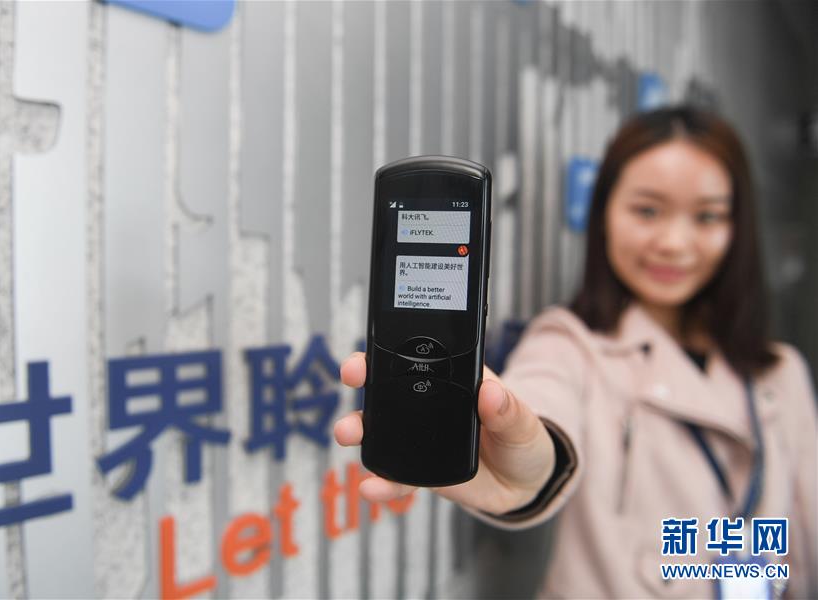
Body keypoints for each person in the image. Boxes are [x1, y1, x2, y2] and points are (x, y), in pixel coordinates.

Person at [334, 106, 817, 598]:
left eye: (708, 215)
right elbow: (544, 413)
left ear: (737, 227)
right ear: (604, 213)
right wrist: (533, 465)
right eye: (647, 210)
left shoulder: (783, 373)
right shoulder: (566, 343)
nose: (674, 242)